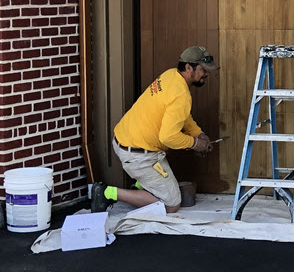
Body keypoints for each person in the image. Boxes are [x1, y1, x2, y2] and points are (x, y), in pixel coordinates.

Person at [91, 45, 219, 214]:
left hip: (124, 140)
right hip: (138, 155)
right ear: (189, 67)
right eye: (203, 69)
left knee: (164, 178)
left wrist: (198, 133)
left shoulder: (171, 75)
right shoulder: (181, 94)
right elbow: (168, 137)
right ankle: (107, 193)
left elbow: (182, 115)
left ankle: (141, 185)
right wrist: (195, 144)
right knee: (171, 204)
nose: (207, 73)